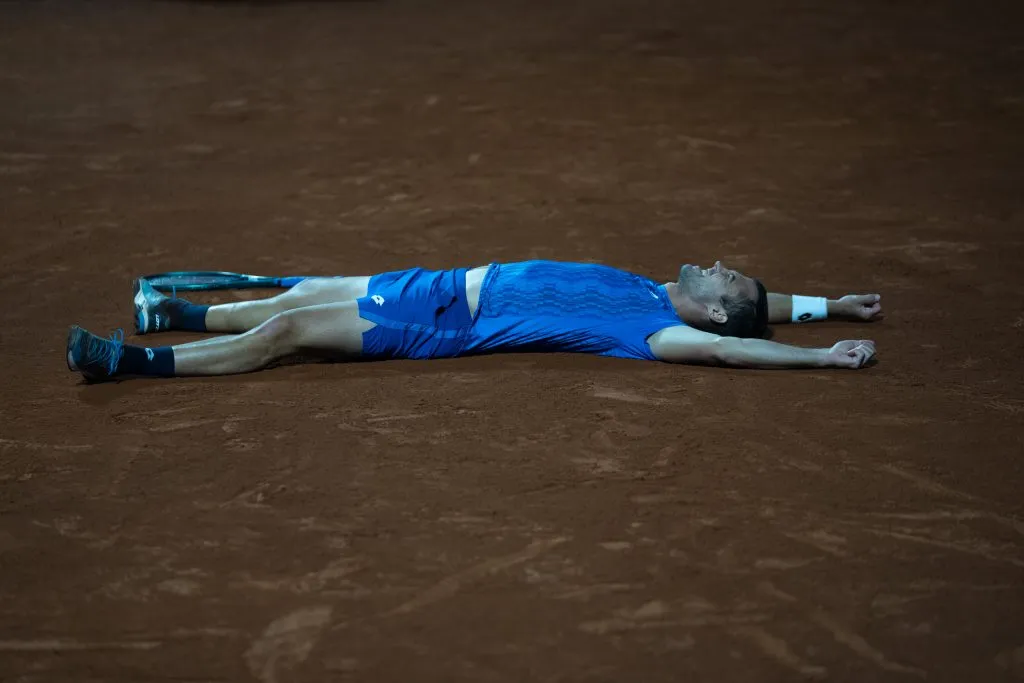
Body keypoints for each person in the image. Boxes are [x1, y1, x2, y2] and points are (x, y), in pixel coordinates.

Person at [66, 260, 880, 381]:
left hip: (444, 326)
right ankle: (177, 310)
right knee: (299, 292)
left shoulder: (656, 331)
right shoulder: (657, 287)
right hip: (445, 279)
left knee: (287, 332)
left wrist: (817, 358)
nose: (716, 261)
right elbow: (755, 310)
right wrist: (829, 306)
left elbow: (732, 348)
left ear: (711, 308)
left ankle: (134, 364)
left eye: (723, 275)